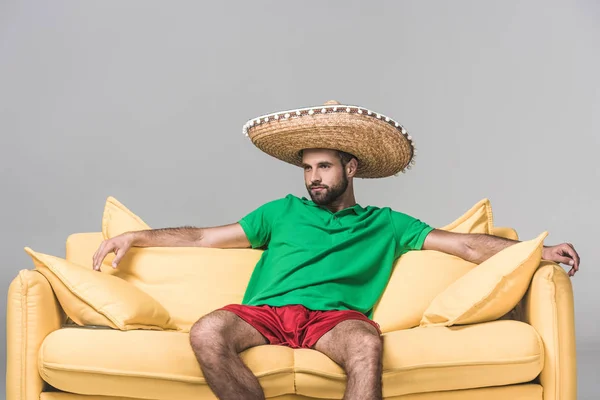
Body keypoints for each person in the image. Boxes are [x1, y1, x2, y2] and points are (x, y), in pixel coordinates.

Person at [92, 101, 580, 400]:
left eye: (323, 167)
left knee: (367, 344)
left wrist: (537, 251)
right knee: (206, 331)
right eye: (307, 169)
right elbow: (203, 237)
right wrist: (137, 236)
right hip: (264, 313)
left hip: (335, 321)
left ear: (351, 168)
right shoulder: (280, 212)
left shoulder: (388, 224)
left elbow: (464, 245)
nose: (313, 178)